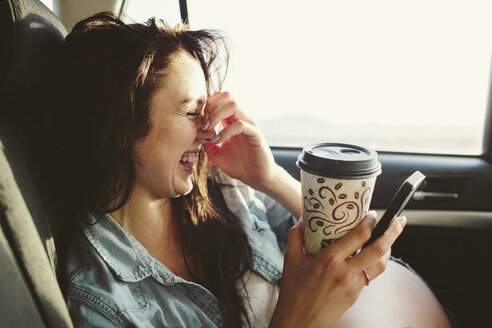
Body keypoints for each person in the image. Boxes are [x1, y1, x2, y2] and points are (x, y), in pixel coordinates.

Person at [56, 12, 452, 328]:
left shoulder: (224, 189)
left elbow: (335, 243)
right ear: (122, 124)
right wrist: (295, 318)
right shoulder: (101, 301)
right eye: (192, 111)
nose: (208, 128)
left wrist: (269, 179)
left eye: (207, 111)